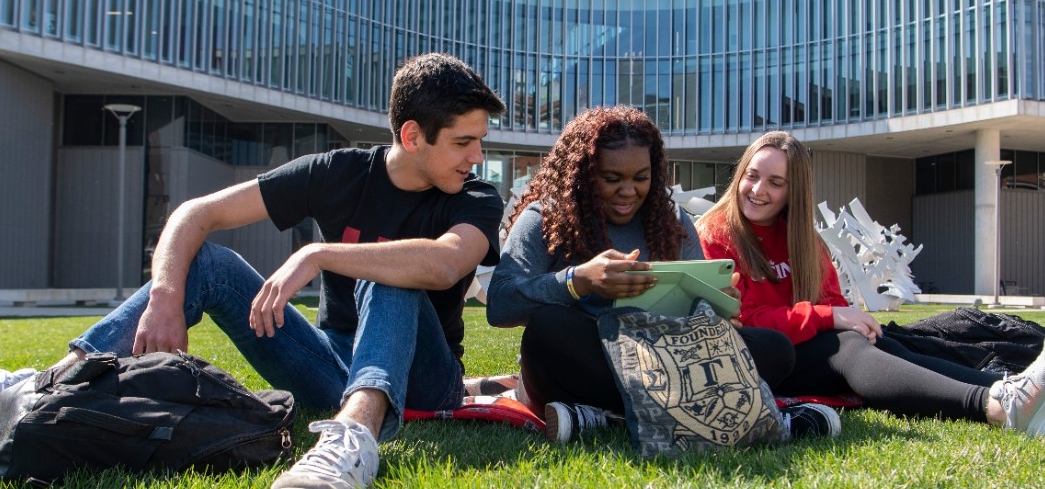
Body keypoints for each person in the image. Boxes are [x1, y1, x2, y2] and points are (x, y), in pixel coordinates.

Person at [0, 53, 506, 489]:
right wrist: (164, 297)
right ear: (413, 135)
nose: (477, 157)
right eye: (464, 143)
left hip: (426, 380)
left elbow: (443, 265)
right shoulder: (339, 173)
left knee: (390, 270)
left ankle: (353, 442)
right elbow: (195, 214)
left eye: (479, 142)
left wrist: (316, 255)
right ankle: (56, 381)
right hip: (332, 365)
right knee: (211, 264)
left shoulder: (478, 197)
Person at [485, 106, 839, 444]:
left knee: (775, 349)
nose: (629, 191)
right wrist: (577, 281)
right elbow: (500, 305)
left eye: (641, 178)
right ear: (584, 173)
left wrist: (718, 307)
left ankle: (603, 417)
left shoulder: (670, 221)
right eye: (611, 179)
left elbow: (704, 323)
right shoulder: (545, 218)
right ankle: (692, 415)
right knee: (547, 330)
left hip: (663, 360)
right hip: (589, 357)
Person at [696, 130, 1045, 435]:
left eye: (775, 182)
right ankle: (992, 406)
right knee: (849, 348)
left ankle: (1007, 390)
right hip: (759, 359)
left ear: (793, 192)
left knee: (876, 342)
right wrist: (826, 317)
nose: (757, 190)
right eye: (751, 176)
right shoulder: (713, 236)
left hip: (809, 351)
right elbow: (742, 321)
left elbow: (830, 302)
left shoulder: (803, 241)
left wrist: (838, 318)